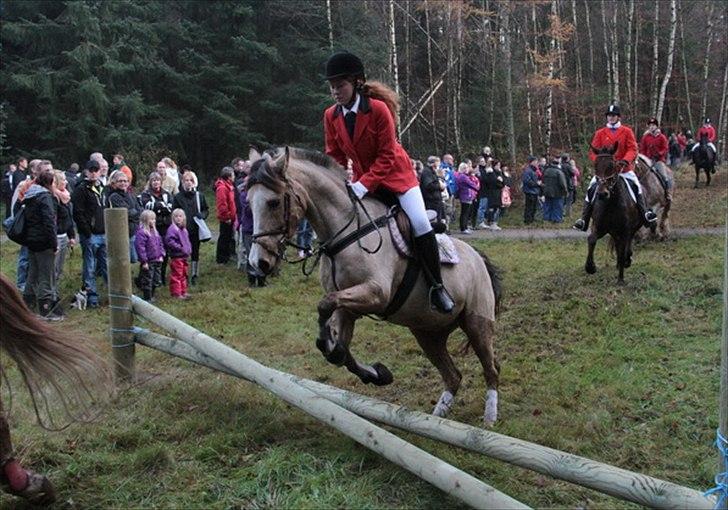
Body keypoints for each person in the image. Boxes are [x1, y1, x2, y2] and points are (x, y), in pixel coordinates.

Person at [323, 51, 453, 313]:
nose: (336, 92)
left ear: (356, 82)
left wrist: (363, 184)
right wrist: (342, 179)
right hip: (363, 180)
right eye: (332, 87)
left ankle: (437, 287)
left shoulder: (379, 110)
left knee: (418, 222)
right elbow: (333, 154)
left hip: (397, 177)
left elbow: (387, 154)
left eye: (341, 86)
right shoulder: (331, 115)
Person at [573, 104, 657, 231]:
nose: (611, 118)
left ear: (618, 117)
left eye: (613, 116)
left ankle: (645, 213)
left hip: (624, 169)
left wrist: (625, 160)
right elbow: (592, 151)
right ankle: (583, 219)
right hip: (605, 172)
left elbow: (632, 149)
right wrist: (600, 162)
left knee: (637, 187)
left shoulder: (627, 131)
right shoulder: (600, 133)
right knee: (591, 188)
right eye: (609, 116)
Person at [20, 170, 61, 320]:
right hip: (44, 242)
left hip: (31, 241)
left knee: (33, 274)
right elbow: (49, 222)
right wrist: (54, 243)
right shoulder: (45, 197)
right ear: (50, 183)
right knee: (46, 276)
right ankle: (46, 310)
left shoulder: (30, 196)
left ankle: (27, 307)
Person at [71, 160, 108, 308]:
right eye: (91, 170)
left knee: (105, 265)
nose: (93, 173)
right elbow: (77, 213)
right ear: (86, 171)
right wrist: (87, 231)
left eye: (96, 170)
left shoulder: (103, 188)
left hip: (103, 232)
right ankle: (92, 297)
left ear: (100, 171)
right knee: (90, 267)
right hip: (90, 234)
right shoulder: (81, 189)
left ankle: (112, 295)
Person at [172, 171, 208, 285]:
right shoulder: (178, 197)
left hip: (195, 228)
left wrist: (202, 215)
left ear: (194, 182)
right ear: (182, 182)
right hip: (182, 230)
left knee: (195, 251)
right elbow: (174, 211)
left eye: (191, 180)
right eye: (186, 180)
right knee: (183, 252)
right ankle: (183, 273)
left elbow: (206, 209)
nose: (188, 183)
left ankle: (194, 274)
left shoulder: (199, 196)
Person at [139, 172, 174, 282]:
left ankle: (160, 277)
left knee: (164, 253)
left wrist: (159, 207)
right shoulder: (145, 194)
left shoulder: (167, 194)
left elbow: (170, 208)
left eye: (158, 180)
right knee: (150, 253)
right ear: (150, 182)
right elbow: (147, 206)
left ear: (161, 181)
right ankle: (145, 279)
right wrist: (162, 206)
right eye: (153, 180)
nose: (156, 182)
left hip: (165, 227)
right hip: (151, 227)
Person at [51, 170, 76, 317]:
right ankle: (51, 299)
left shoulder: (65, 196)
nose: (66, 182)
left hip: (64, 235)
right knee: (52, 271)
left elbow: (68, 218)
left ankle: (55, 294)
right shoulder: (54, 198)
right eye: (63, 180)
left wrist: (71, 235)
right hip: (55, 237)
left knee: (59, 270)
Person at [106, 170, 140, 263]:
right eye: (120, 181)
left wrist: (135, 213)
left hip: (133, 231)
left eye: (125, 181)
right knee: (124, 259)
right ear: (114, 183)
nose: (123, 183)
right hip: (121, 232)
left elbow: (139, 210)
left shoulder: (131, 195)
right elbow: (125, 213)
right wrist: (135, 213)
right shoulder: (114, 196)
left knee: (134, 259)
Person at [134, 210, 165, 301]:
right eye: (151, 219)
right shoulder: (142, 233)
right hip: (148, 261)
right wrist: (144, 261)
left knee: (156, 279)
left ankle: (152, 295)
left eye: (154, 219)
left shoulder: (155, 232)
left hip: (157, 259)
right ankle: (147, 297)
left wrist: (162, 254)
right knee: (148, 279)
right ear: (145, 220)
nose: (154, 221)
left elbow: (160, 244)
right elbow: (140, 248)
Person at [164, 208, 192, 299]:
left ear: (184, 218)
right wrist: (180, 248)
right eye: (176, 216)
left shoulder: (184, 229)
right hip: (176, 256)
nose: (178, 218)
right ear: (173, 218)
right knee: (177, 274)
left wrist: (188, 249)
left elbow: (187, 241)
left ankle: (183, 291)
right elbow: (169, 241)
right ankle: (176, 293)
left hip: (184, 256)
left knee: (184, 274)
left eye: (180, 216)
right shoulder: (172, 229)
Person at [215, 166, 236, 264]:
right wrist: (226, 216)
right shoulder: (222, 188)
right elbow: (222, 204)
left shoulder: (229, 186)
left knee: (228, 237)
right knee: (224, 237)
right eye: (233, 175)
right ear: (228, 176)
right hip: (226, 218)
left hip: (230, 217)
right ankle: (221, 258)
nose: (234, 176)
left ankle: (226, 256)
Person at [420, 155, 446, 225]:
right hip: (431, 201)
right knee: (433, 221)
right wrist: (439, 186)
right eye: (438, 162)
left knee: (439, 220)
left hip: (437, 200)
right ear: (434, 163)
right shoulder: (427, 172)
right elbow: (428, 185)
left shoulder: (433, 172)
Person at [455, 162, 479, 234]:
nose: (467, 169)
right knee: (465, 213)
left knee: (466, 212)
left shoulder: (462, 176)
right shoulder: (463, 176)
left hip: (466, 195)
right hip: (465, 195)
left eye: (467, 168)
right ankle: (463, 228)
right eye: (465, 168)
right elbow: (471, 184)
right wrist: (477, 188)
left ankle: (465, 227)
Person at [542, 157, 568, 223]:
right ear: (557, 164)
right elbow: (563, 184)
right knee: (557, 206)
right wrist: (565, 191)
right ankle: (557, 219)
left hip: (547, 191)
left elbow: (543, 180)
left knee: (547, 205)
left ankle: (546, 219)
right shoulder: (559, 172)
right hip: (557, 192)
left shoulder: (546, 171)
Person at [483, 160, 504, 230]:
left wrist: (500, 181)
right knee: (491, 208)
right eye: (497, 165)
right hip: (492, 192)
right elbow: (493, 182)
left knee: (496, 208)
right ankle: (491, 222)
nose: (499, 167)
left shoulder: (500, 173)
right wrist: (498, 181)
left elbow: (503, 183)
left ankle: (494, 222)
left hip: (498, 193)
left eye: (499, 165)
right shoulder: (490, 172)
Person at [521, 156, 542, 224]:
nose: (537, 163)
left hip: (535, 191)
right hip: (529, 191)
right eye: (536, 161)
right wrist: (536, 183)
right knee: (529, 207)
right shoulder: (528, 170)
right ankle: (527, 221)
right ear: (532, 162)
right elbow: (527, 181)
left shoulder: (534, 170)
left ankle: (532, 219)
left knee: (534, 207)